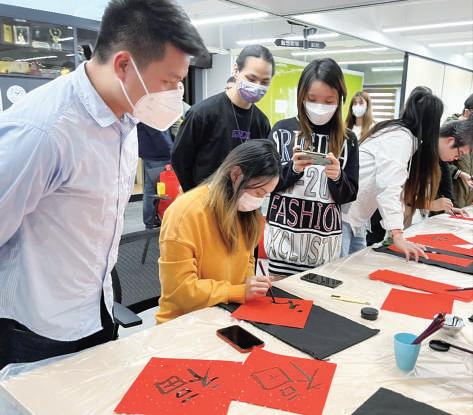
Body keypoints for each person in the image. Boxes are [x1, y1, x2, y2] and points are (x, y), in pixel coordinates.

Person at [0, 0, 206, 368]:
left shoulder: (126, 117)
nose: (176, 94)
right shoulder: (43, 131)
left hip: (98, 309)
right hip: (38, 329)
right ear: (124, 65)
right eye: (169, 82)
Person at [156, 139, 280, 323]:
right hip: (184, 321)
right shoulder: (185, 213)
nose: (260, 201)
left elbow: (247, 260)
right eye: (259, 192)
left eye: (266, 195)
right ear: (236, 174)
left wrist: (250, 283)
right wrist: (239, 291)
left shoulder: (246, 213)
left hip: (228, 312)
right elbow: (180, 291)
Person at [265, 58, 359, 276]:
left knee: (316, 298)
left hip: (323, 251)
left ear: (340, 100)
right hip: (282, 247)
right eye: (312, 99)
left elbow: (350, 194)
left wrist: (337, 177)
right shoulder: (281, 130)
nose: (320, 107)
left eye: (329, 101)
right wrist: (292, 170)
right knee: (279, 296)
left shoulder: (348, 140)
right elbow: (266, 182)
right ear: (301, 96)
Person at [342, 87, 444, 260]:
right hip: (346, 214)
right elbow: (389, 187)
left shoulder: (397, 132)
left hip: (356, 215)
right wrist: (397, 234)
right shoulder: (400, 138)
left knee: (353, 262)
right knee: (337, 268)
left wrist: (397, 231)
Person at [171, 45, 274, 191]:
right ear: (236, 70)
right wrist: (194, 193)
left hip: (241, 199)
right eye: (251, 78)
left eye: (264, 82)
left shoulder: (261, 122)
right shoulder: (202, 113)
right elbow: (180, 158)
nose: (257, 86)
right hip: (205, 197)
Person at [429, 117, 473, 216]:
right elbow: (404, 195)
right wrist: (430, 204)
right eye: (459, 154)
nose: (457, 158)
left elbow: (445, 174)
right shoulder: (420, 150)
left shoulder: (440, 156)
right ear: (450, 141)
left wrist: (450, 206)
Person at [137, 123, 174, 228]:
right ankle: (151, 220)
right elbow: (159, 132)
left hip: (151, 152)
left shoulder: (145, 114)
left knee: (150, 189)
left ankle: (150, 220)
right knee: (154, 189)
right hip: (160, 153)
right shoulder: (152, 116)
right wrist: (172, 150)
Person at [447, 95, 473, 208]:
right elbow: (438, 162)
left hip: (467, 199)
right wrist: (458, 173)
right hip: (450, 197)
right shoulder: (450, 130)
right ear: (467, 112)